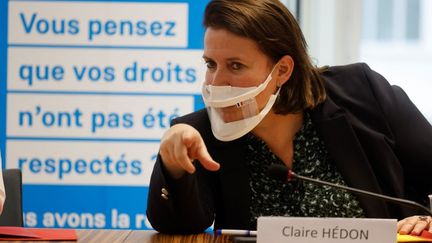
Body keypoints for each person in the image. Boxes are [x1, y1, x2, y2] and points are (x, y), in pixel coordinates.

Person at [147, 0, 432, 235]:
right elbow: (179, 229)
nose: (217, 82)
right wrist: (174, 168)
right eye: (210, 64)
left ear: (282, 70)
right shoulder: (199, 132)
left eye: (235, 66)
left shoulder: (362, 93)